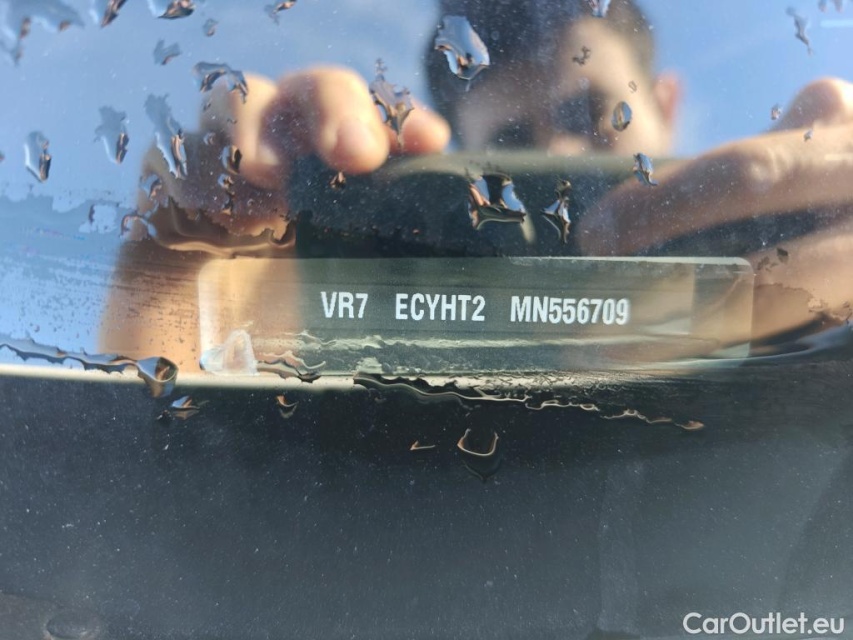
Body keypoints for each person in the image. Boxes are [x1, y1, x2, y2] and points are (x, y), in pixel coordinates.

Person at [100, 0, 853, 372]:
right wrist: (196, 322)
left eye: (595, 115)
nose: (559, 159)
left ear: (667, 105)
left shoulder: (810, 264)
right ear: (457, 164)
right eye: (513, 146)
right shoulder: (400, 360)